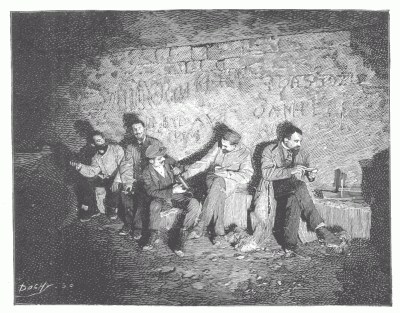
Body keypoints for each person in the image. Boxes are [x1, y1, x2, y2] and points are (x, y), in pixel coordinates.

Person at [257, 121, 345, 257]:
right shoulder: (269, 150)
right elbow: (266, 174)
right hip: (273, 188)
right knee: (299, 186)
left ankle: (290, 246)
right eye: (296, 141)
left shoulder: (302, 153)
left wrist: (311, 175)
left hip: (294, 190)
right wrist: (290, 171)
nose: (299, 144)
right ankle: (321, 229)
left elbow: (305, 174)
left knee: (294, 199)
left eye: (300, 141)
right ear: (286, 140)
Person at [180, 129, 254, 244]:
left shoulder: (244, 153)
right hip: (212, 177)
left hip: (229, 181)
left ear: (235, 145)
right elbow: (205, 161)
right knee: (217, 186)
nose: (222, 148)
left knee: (218, 186)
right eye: (222, 144)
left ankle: (201, 226)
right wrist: (188, 173)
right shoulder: (219, 145)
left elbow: (247, 175)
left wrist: (228, 174)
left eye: (226, 146)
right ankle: (219, 232)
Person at [118, 118, 179, 238]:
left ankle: (137, 227)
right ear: (132, 131)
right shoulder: (131, 147)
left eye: (139, 128)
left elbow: (164, 157)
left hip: (151, 179)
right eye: (134, 129)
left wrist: (176, 165)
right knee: (125, 194)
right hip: (137, 179)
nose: (137, 131)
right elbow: (127, 165)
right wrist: (128, 182)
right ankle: (128, 224)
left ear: (144, 128)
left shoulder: (154, 142)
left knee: (141, 197)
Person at [142, 144, 201, 256]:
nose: (163, 159)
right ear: (151, 161)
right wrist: (172, 191)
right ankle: (153, 235)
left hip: (175, 196)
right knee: (154, 205)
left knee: (194, 204)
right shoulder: (146, 172)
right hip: (160, 197)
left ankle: (181, 238)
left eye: (163, 156)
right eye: (159, 158)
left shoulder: (167, 162)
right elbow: (151, 192)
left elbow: (180, 166)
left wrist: (179, 169)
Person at [70, 131, 124, 220]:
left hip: (120, 176)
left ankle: (111, 209)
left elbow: (123, 165)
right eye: (96, 141)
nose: (98, 143)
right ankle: (91, 209)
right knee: (85, 182)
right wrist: (80, 166)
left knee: (115, 186)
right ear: (93, 144)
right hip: (106, 178)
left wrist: (117, 180)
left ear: (104, 140)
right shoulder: (96, 157)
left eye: (99, 140)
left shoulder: (116, 149)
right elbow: (93, 171)